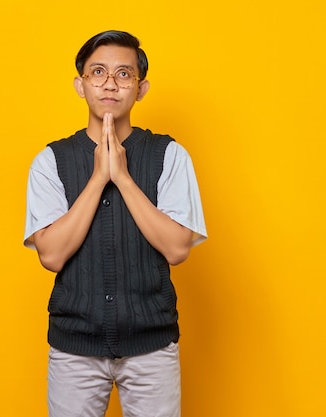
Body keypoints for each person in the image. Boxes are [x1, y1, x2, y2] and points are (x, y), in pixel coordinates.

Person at [23, 30, 207, 417]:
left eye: (124, 74)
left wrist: (122, 176)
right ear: (80, 84)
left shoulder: (169, 155)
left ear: (141, 88)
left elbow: (177, 249)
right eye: (99, 72)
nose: (110, 83)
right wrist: (97, 178)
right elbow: (51, 255)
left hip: (152, 350)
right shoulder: (50, 161)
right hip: (74, 350)